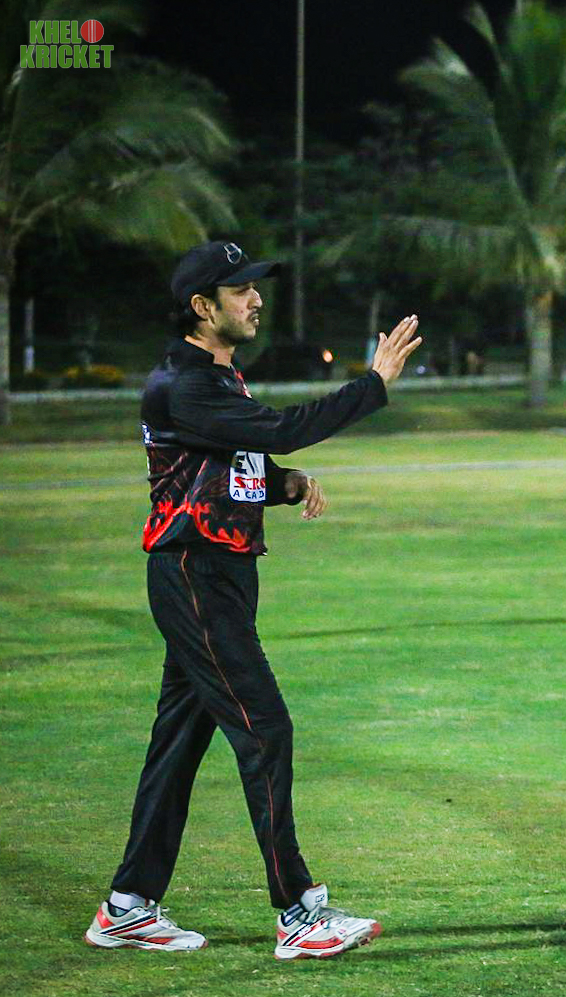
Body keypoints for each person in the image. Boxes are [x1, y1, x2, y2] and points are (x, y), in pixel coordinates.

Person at [84, 240, 422, 959]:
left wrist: (280, 484)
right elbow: (281, 429)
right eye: (239, 290)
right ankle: (299, 913)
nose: (256, 299)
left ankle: (126, 907)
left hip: (216, 576)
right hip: (196, 576)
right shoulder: (186, 383)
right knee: (265, 730)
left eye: (253, 286)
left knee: (179, 742)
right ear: (202, 307)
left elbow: (224, 462)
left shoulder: (215, 377)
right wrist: (373, 384)